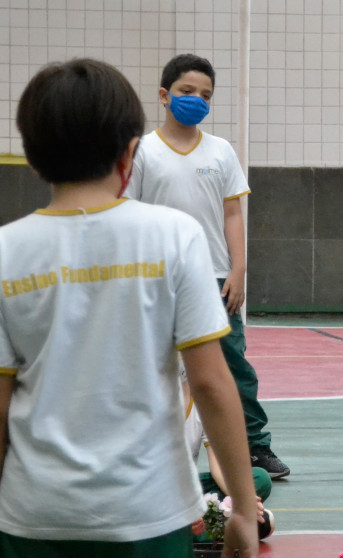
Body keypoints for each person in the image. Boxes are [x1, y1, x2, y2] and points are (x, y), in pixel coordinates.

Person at [0, 59, 258, 558]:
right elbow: (212, 384)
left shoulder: (7, 251)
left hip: (38, 512)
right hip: (147, 511)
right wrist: (242, 505)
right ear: (130, 153)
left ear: (33, 154)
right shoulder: (172, 237)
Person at [125, 53, 290, 480]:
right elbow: (128, 215)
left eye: (205, 95)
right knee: (155, 365)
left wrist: (238, 270)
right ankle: (151, 454)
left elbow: (233, 214)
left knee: (232, 364)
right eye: (186, 91)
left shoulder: (221, 151)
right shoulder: (142, 151)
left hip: (215, 278)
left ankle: (253, 445)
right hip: (158, 279)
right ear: (164, 95)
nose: (196, 100)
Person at [181, 362, 275, 539]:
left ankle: (201, 527)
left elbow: (218, 466)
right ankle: (202, 529)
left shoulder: (204, 403)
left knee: (260, 478)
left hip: (189, 491)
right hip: (155, 496)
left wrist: (241, 497)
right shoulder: (152, 403)